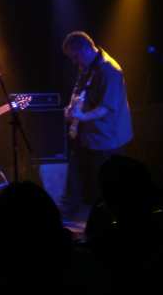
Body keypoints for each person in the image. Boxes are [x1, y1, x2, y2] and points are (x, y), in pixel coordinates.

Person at [62, 31, 133, 220]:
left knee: (105, 182)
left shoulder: (110, 71)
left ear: (85, 50)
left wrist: (81, 116)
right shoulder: (86, 65)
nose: (75, 62)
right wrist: (70, 108)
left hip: (107, 137)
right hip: (87, 133)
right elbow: (78, 90)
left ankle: (108, 218)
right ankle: (69, 211)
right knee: (76, 171)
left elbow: (106, 108)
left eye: (75, 57)